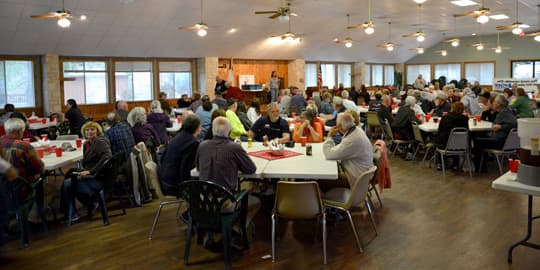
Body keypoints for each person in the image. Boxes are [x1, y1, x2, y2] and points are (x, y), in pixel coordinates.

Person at [62, 121, 112, 220]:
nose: (89, 132)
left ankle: (72, 213)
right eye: (87, 130)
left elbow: (107, 159)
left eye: (92, 129)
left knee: (67, 184)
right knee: (69, 174)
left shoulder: (100, 142)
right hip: (93, 173)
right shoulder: (87, 144)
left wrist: (90, 171)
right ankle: (89, 203)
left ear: (97, 131)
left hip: (98, 177)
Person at [196, 117, 256, 192]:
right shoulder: (234, 147)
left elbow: (198, 167)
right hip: (225, 196)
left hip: (203, 196)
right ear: (230, 132)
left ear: (212, 130)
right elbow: (251, 169)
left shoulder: (202, 145)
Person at [321, 113, 373, 189]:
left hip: (355, 178)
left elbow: (329, 155)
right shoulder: (357, 130)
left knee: (321, 180)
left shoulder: (351, 140)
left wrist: (329, 136)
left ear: (339, 126)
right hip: (361, 173)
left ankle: (321, 199)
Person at [473, 95, 517, 173]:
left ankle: (480, 168)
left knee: (477, 141)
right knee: (479, 138)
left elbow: (515, 124)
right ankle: (482, 166)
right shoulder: (504, 111)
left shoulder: (504, 112)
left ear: (498, 104)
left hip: (500, 142)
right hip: (503, 140)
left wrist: (501, 127)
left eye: (494, 102)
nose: (492, 104)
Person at [160, 115, 201, 195]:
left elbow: (162, 158)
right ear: (198, 128)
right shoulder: (192, 143)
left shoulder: (177, 136)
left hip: (165, 180)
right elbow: (185, 170)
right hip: (174, 185)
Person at [0, 118, 44, 194]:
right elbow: (38, 168)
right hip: (20, 189)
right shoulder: (24, 146)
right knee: (41, 176)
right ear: (19, 131)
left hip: (2, 191)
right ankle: (39, 205)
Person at [435, 102, 469, 170]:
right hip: (460, 145)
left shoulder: (445, 117)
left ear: (452, 108)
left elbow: (439, 131)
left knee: (440, 140)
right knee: (456, 141)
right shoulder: (465, 119)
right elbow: (467, 131)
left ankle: (440, 163)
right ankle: (455, 164)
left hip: (445, 144)